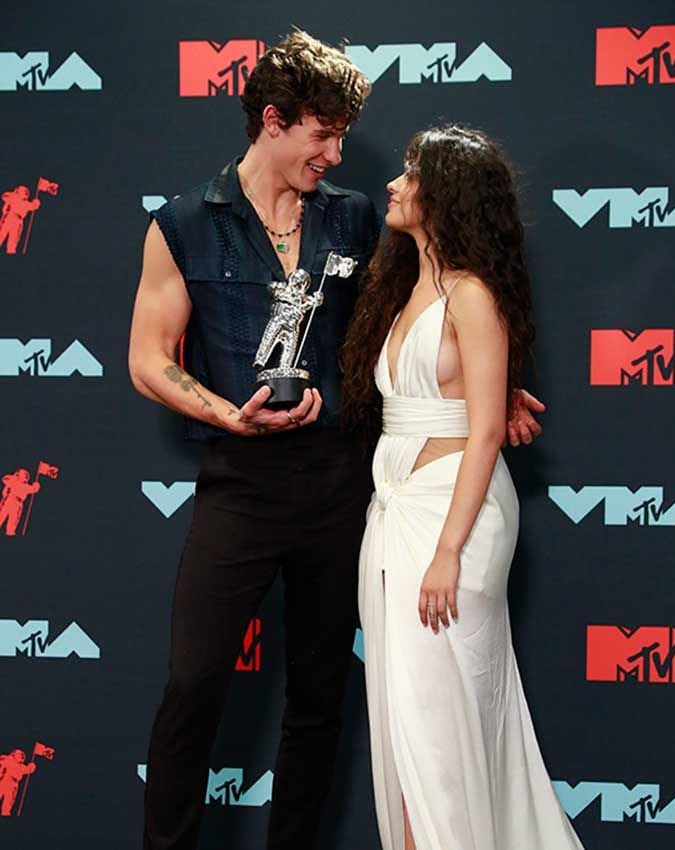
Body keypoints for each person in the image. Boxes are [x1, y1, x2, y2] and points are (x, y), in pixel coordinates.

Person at [129, 32, 543, 850]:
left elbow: (427, 317)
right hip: (240, 483)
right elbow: (146, 359)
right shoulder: (181, 224)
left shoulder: (356, 217)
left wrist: (486, 394)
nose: (338, 151)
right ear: (274, 122)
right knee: (192, 683)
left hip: (344, 489)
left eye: (345, 134)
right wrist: (228, 414)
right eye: (324, 133)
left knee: (321, 694)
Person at [341, 126, 585, 850]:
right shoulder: (403, 287)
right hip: (392, 516)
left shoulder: (474, 294)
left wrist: (448, 550)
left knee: (438, 728)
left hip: (455, 521)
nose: (393, 183)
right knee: (406, 726)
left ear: (444, 196)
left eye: (411, 174)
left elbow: (482, 432)